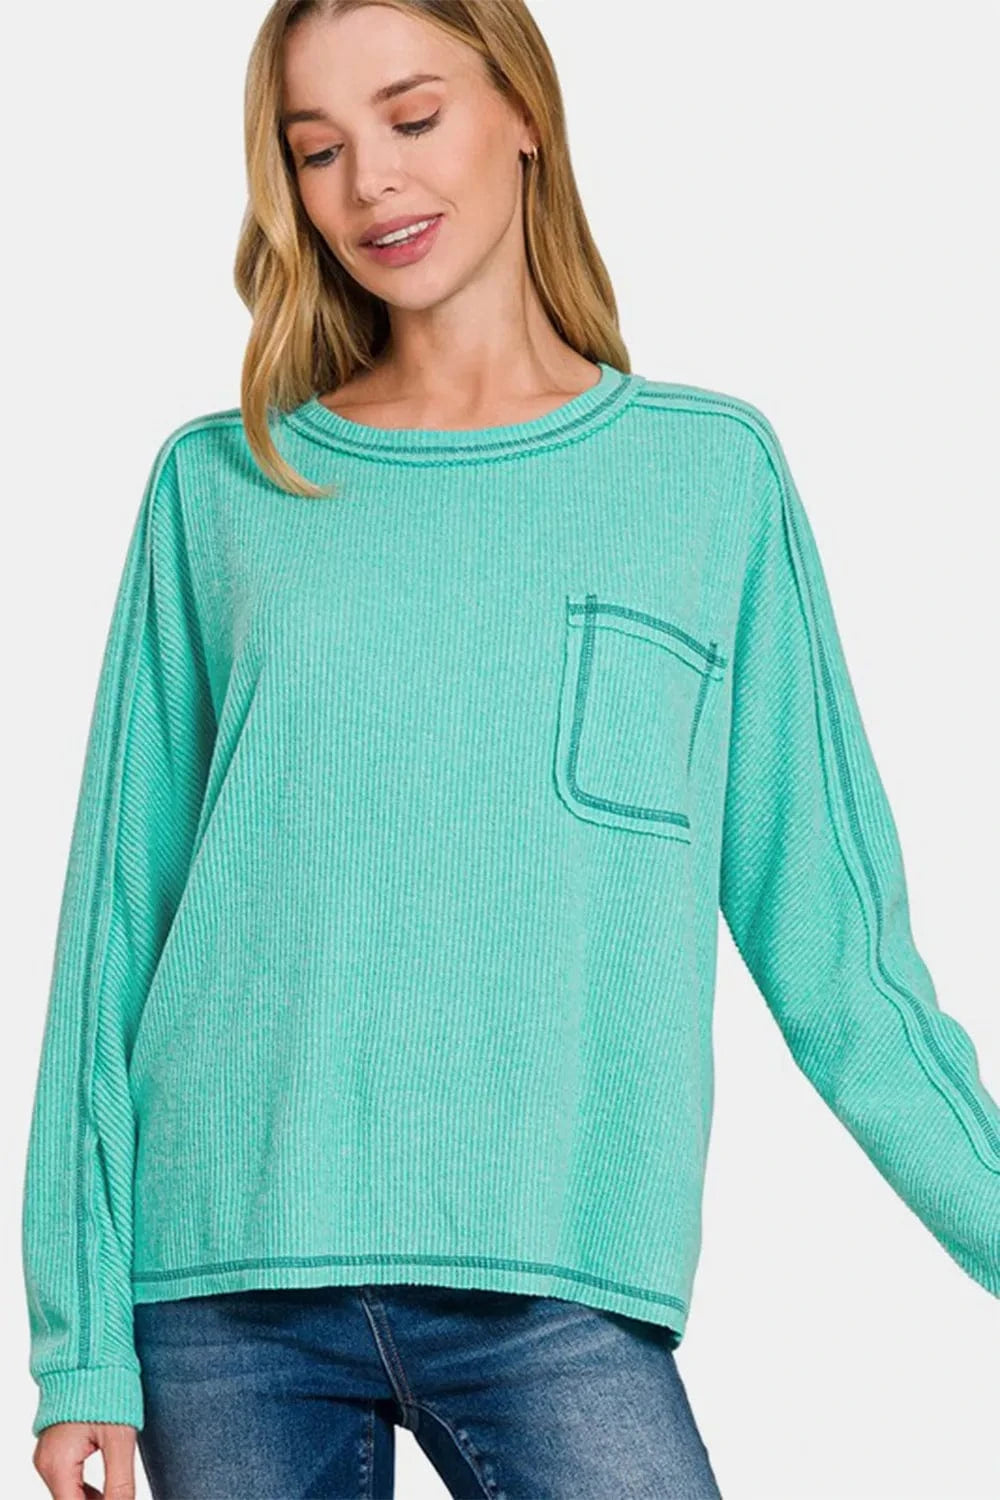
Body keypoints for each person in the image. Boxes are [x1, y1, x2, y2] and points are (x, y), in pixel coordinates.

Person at [22, 1, 1000, 1497]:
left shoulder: (704, 477)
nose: (371, 183)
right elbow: (114, 933)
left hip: (554, 1281)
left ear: (524, 113)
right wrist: (81, 1345)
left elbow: (838, 950)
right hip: (223, 1288)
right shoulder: (220, 488)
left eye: (413, 118)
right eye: (318, 150)